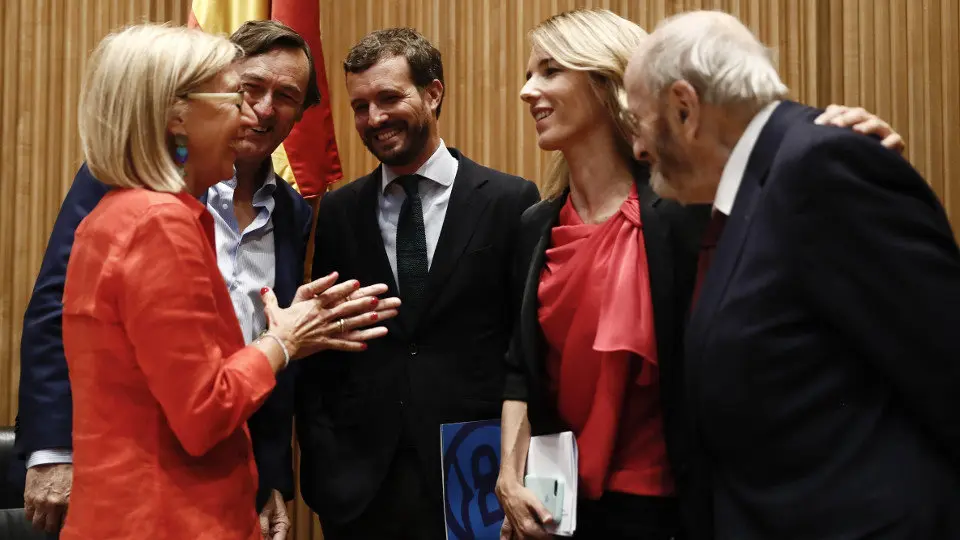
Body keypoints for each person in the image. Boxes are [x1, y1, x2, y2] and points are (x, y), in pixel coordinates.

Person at [497, 8, 910, 540]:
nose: (527, 90)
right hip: (563, 510)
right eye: (528, 74)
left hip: (675, 509)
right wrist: (509, 476)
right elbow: (520, 367)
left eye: (550, 70)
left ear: (605, 82)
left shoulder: (686, 213)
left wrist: (860, 157)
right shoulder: (535, 225)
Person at [625, 10, 960, 540]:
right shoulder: (745, 195)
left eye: (639, 122)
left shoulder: (822, 166)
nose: (639, 149)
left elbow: (944, 367)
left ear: (685, 108)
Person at [56, 23, 399, 539]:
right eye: (233, 99)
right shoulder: (159, 223)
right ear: (178, 118)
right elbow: (205, 410)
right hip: (170, 518)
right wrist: (283, 341)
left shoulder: (120, 212)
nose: (248, 117)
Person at [294, 28, 541, 540]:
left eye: (389, 98)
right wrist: (325, 459)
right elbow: (325, 350)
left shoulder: (509, 201)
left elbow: (526, 346)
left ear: (433, 93)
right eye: (360, 106)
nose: (374, 118)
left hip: (472, 478)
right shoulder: (339, 211)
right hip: (361, 489)